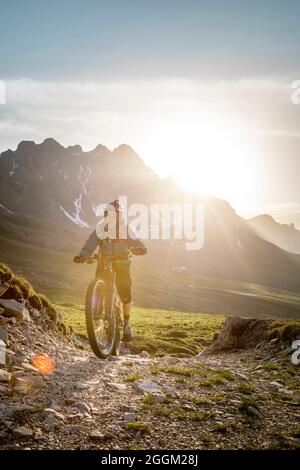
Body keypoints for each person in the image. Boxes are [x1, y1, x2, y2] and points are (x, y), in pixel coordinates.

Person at [73, 200, 147, 341]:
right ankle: (97, 313)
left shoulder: (126, 229)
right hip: (104, 260)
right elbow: (91, 242)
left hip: (122, 262)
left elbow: (137, 242)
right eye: (107, 214)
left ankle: (126, 324)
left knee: (125, 292)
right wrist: (83, 255)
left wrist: (140, 248)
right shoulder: (100, 228)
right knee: (100, 286)